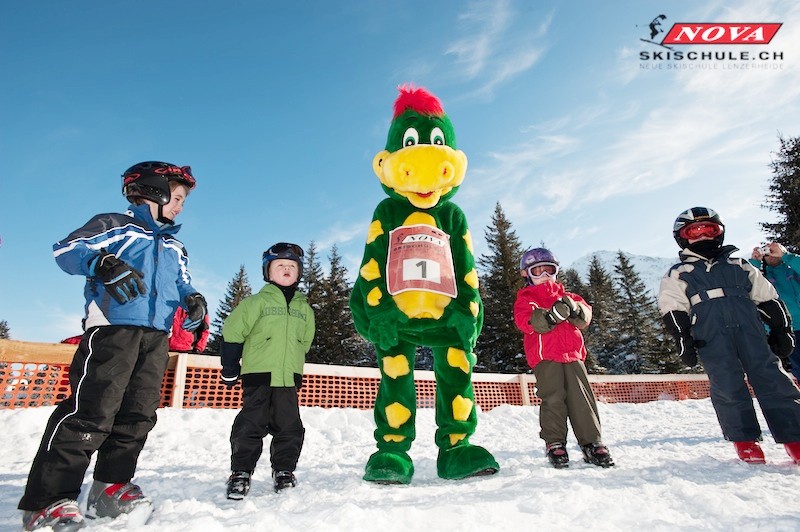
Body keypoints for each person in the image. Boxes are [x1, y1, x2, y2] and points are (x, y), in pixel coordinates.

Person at [19, 161, 207, 531]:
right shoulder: (115, 226)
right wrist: (101, 262)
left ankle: (110, 486)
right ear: (154, 188)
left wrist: (193, 299)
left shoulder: (174, 245)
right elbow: (67, 250)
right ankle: (48, 500)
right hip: (112, 332)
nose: (181, 206)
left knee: (138, 415)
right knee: (92, 412)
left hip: (156, 338)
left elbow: (183, 283)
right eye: (178, 197)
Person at [659, 207, 800, 464]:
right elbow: (673, 309)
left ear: (719, 233)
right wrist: (684, 341)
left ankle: (794, 438)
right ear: (682, 237)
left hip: (751, 332)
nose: (702, 236)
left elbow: (768, 299)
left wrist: (782, 330)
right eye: (694, 231)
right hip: (711, 336)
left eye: (709, 230)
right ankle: (745, 441)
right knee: (726, 385)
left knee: (774, 379)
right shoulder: (678, 273)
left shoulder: (740, 265)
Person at [219, 243, 315, 499]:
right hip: (258, 376)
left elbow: (305, 341)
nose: (286, 269)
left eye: (292, 266)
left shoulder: (304, 308)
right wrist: (230, 366)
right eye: (280, 265)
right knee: (250, 425)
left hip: (288, 379)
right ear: (268, 272)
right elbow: (232, 332)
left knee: (290, 427)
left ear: (299, 273)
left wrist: (295, 367)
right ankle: (240, 472)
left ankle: (284, 470)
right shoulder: (255, 303)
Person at [513, 247, 615, 469]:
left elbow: (584, 316)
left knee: (582, 398)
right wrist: (550, 316)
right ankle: (554, 441)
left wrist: (575, 308)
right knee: (553, 397)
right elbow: (527, 322)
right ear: (526, 274)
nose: (543, 276)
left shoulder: (568, 296)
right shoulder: (527, 299)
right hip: (545, 356)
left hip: (573, 356)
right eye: (537, 271)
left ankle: (592, 442)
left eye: (548, 270)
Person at [750, 242, 800, 381]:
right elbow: (749, 285)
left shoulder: (793, 270)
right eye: (766, 252)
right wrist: (754, 262)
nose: (770, 255)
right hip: (787, 330)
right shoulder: (763, 277)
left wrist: (786, 256)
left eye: (772, 251)